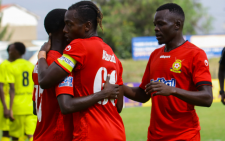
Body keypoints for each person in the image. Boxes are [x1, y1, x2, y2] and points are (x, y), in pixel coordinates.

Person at [37, 1, 126, 141]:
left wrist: (42, 54)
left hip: (90, 133)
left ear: (87, 26)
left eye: (69, 24)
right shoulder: (113, 56)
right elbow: (119, 106)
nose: (65, 30)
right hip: (117, 132)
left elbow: (44, 80)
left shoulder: (78, 46)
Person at [123, 3, 213, 141]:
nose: (156, 29)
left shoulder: (195, 54)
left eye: (161, 24)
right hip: (155, 136)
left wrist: (173, 90)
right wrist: (119, 87)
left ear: (177, 24)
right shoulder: (155, 55)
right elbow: (143, 94)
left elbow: (207, 98)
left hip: (184, 136)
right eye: (155, 24)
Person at [32, 8, 74, 141]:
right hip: (57, 136)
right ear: (64, 28)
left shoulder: (40, 62)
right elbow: (66, 106)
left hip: (40, 135)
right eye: (71, 24)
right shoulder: (60, 64)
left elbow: (35, 109)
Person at [7, 42, 36, 141]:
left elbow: (12, 88)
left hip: (17, 106)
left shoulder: (11, 66)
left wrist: (9, 109)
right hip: (30, 105)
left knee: (16, 136)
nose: (9, 52)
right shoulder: (31, 65)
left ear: (16, 52)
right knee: (31, 134)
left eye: (11, 50)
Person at [0, 44, 15, 141]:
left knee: (17, 131)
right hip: (6, 101)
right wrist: (6, 107)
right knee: (6, 131)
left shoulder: (20, 65)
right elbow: (1, 86)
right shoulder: (4, 65)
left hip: (18, 103)